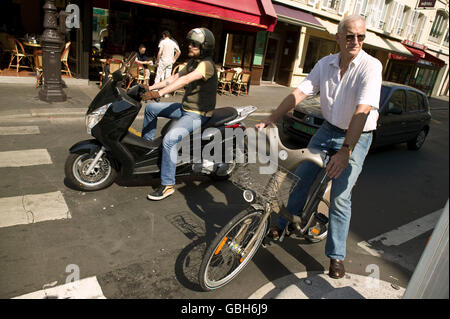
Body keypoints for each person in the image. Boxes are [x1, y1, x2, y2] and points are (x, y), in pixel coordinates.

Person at [255, 15, 382, 279]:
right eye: (349, 36)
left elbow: (362, 111)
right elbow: (299, 94)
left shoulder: (371, 66)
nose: (356, 41)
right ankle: (281, 225)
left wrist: (346, 150)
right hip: (328, 129)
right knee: (300, 177)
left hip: (357, 135)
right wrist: (271, 118)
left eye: (361, 37)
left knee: (340, 197)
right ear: (337, 37)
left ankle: (336, 256)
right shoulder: (325, 63)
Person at [141, 27, 217, 200]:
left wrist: (159, 94)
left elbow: (185, 80)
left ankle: (167, 184)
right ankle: (148, 151)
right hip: (185, 109)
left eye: (194, 44)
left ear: (204, 47)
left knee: (169, 140)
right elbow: (174, 78)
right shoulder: (192, 63)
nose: (189, 46)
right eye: (189, 43)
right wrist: (150, 88)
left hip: (198, 114)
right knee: (150, 109)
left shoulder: (206, 65)